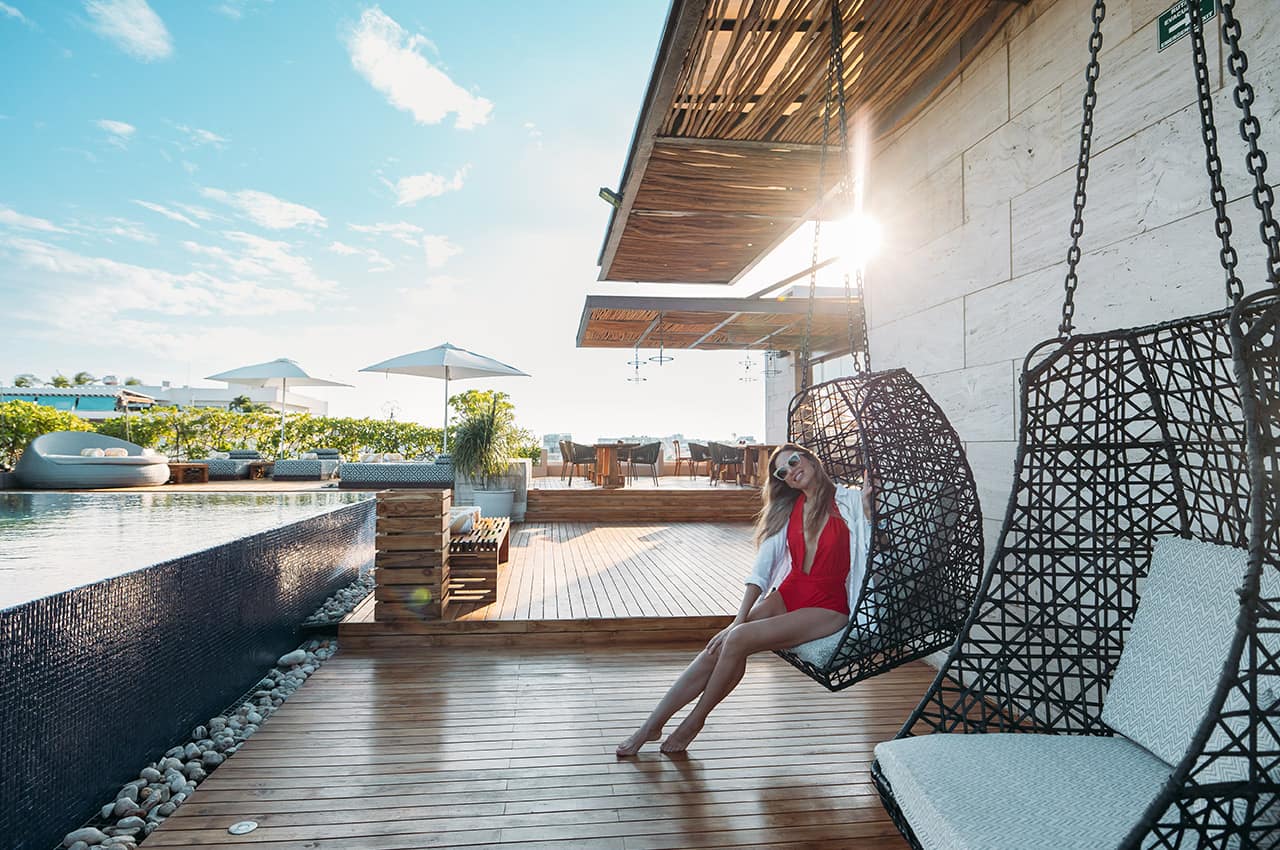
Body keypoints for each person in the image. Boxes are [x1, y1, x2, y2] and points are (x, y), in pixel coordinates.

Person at [616, 442, 873, 756]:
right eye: (782, 472)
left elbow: (875, 550)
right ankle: (652, 725)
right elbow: (762, 568)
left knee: (738, 639)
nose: (791, 471)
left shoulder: (850, 501)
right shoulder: (789, 508)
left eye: (794, 461)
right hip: (791, 590)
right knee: (721, 643)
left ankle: (695, 721)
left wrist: (869, 514)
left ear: (810, 458)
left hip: (827, 605)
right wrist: (736, 621)